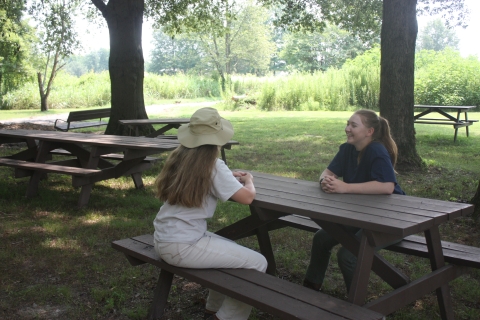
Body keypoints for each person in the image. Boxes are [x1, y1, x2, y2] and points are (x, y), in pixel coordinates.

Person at [152, 107, 267, 320]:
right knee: (258, 262)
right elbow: (247, 198)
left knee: (230, 251)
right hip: (183, 246)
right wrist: (248, 180)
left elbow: (203, 177)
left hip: (163, 239)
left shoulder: (180, 157)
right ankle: (224, 317)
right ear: (217, 138)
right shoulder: (214, 165)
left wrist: (227, 176)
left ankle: (211, 310)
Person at [303, 109, 405, 293]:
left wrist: (345, 187)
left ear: (369, 131)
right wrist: (324, 182)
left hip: (393, 220)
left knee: (348, 255)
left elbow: (387, 187)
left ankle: (358, 307)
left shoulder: (376, 150)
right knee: (321, 238)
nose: (347, 128)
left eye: (353, 125)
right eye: (347, 123)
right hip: (363, 216)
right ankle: (311, 287)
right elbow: (327, 173)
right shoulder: (348, 149)